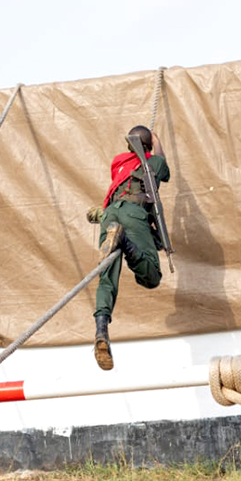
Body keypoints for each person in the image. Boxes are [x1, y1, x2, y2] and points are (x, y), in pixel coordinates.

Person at [92, 125, 169, 370]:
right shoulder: (152, 163)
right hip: (133, 215)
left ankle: (101, 332)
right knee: (152, 276)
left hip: (110, 215)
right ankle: (124, 241)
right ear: (147, 146)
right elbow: (163, 167)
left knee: (107, 278)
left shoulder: (119, 163)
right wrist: (156, 141)